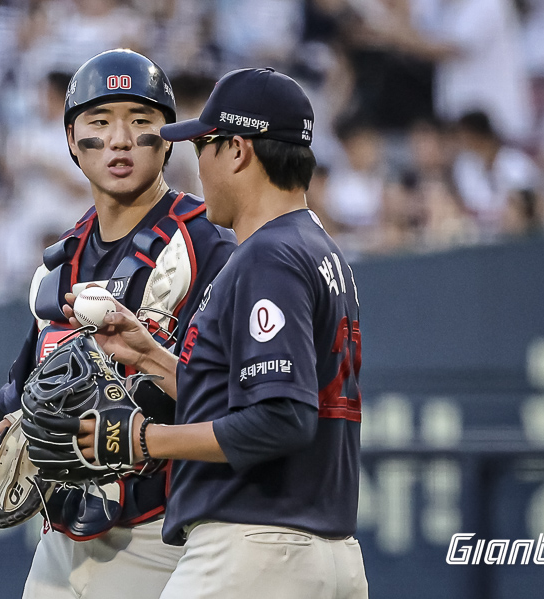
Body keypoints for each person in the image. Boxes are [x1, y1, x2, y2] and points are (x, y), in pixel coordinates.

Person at [0, 49, 236, 598]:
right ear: (70, 139)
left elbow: (233, 401)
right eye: (99, 121)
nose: (119, 139)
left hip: (170, 531)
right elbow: (20, 392)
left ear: (169, 136)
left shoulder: (208, 244)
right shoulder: (64, 259)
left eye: (140, 121)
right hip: (66, 534)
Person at [68, 67, 368, 598]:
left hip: (256, 548)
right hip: (327, 552)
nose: (197, 165)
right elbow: (254, 399)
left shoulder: (268, 255)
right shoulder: (319, 249)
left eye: (203, 145)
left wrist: (143, 440)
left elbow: (281, 419)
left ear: (238, 150)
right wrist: (156, 358)